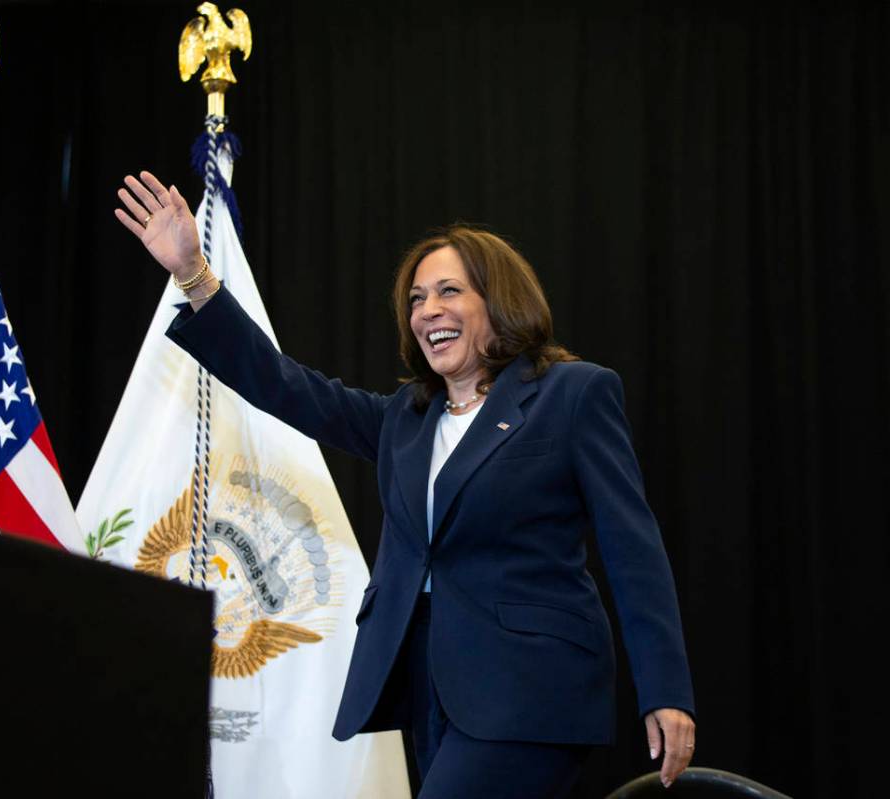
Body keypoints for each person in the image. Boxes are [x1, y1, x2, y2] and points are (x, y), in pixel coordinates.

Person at [115, 171, 696, 798]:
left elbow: (632, 547)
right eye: (417, 299)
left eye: (450, 291)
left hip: (531, 688)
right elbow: (286, 386)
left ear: (499, 301)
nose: (428, 311)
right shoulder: (406, 420)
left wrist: (665, 690)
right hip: (429, 689)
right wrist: (196, 277)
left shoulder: (573, 395)